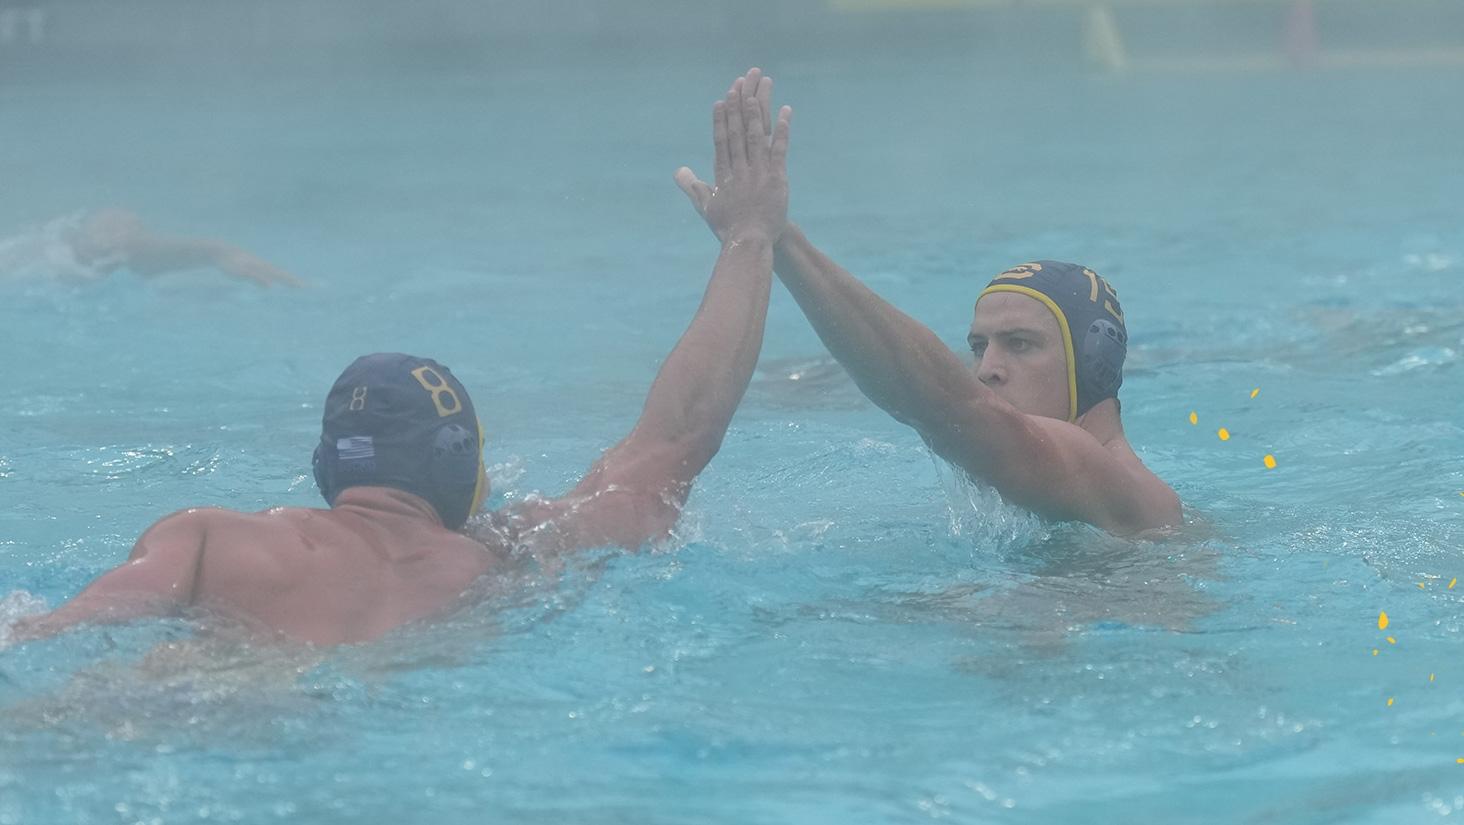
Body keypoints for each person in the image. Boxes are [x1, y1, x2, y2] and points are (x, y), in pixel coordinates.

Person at [10, 74, 793, 646]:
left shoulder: (209, 537)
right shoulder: (502, 560)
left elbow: (47, 633)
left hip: (188, 704)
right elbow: (672, 443)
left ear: (328, 468)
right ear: (460, 470)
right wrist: (750, 233)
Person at [676, 69, 1177, 536]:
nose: (987, 370)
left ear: (1092, 365)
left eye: (1020, 344)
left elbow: (944, 404)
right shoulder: (1065, 496)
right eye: (979, 347)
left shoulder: (1116, 482)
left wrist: (774, 238)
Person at [0, 209, 302, 287]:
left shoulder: (133, 261)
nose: (116, 237)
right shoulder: (41, 255)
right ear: (79, 231)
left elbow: (207, 249)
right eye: (106, 227)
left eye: (132, 229)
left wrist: (224, 254)